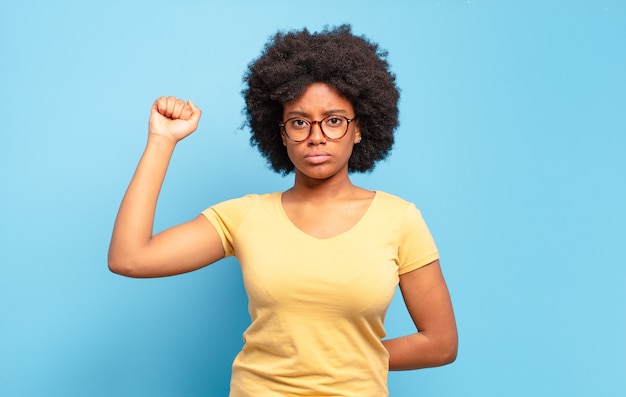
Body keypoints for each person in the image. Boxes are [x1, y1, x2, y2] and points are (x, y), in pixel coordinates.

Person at [109, 24, 457, 397]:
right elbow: (130, 258)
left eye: (335, 120)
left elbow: (440, 343)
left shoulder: (399, 219)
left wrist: (351, 356)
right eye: (299, 122)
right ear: (280, 132)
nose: (316, 135)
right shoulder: (245, 216)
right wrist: (162, 141)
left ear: (360, 129)